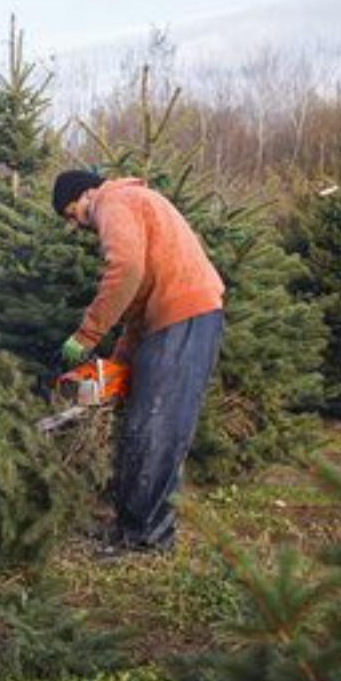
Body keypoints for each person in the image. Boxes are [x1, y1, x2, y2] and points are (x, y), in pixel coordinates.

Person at [52, 169, 225, 556]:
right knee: (144, 423)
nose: (76, 223)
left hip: (186, 316)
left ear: (86, 194)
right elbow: (137, 301)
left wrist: (86, 335)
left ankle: (147, 539)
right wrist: (115, 365)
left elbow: (126, 271)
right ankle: (132, 527)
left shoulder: (112, 202)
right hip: (177, 318)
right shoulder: (133, 203)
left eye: (72, 212)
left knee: (156, 428)